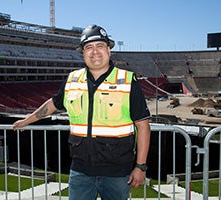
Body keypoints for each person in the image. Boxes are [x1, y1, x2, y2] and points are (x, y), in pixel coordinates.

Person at [13, 24, 151, 200]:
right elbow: (53, 104)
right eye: (89, 48)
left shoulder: (127, 81)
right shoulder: (72, 79)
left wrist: (140, 166)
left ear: (109, 50)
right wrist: (26, 121)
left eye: (100, 46)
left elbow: (143, 126)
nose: (94, 52)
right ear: (83, 53)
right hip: (80, 171)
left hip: (117, 172)